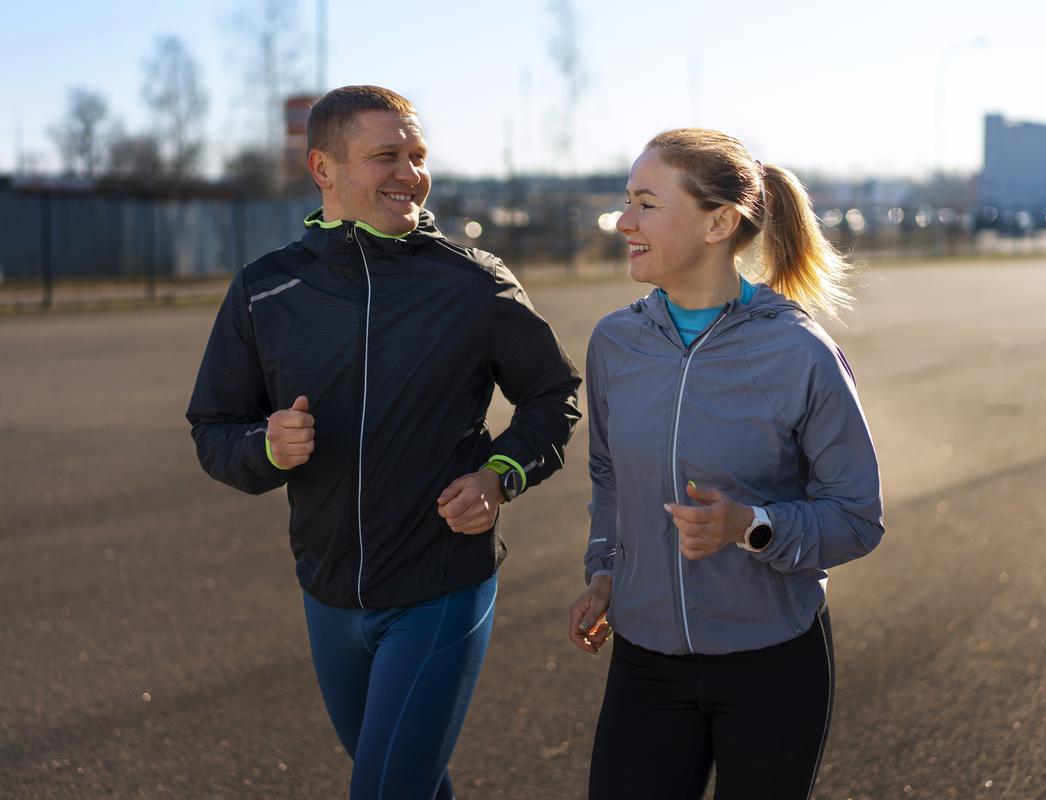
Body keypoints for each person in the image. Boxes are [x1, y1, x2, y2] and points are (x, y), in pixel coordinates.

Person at [187, 85, 581, 800]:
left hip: (439, 588)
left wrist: (500, 475)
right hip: (327, 593)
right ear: (324, 169)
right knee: (411, 784)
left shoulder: (474, 283)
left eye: (417, 155)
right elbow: (213, 429)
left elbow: (556, 394)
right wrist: (267, 450)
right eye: (385, 156)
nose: (410, 173)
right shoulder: (266, 290)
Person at [568, 128, 884, 800]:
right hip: (645, 665)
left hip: (773, 664)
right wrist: (604, 571)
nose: (624, 221)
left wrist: (752, 524)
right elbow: (607, 475)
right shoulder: (615, 342)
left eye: (647, 204)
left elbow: (857, 516)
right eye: (628, 201)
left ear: (719, 222)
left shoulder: (799, 352)